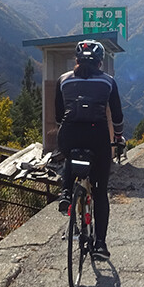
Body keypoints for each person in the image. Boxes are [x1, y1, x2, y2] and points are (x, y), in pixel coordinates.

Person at [55, 40, 124, 261]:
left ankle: (66, 192)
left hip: (69, 133)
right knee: (100, 191)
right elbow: (118, 116)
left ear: (76, 60)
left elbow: (58, 115)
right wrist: (119, 136)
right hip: (97, 137)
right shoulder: (108, 82)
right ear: (100, 62)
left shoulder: (63, 80)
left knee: (70, 155)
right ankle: (100, 245)